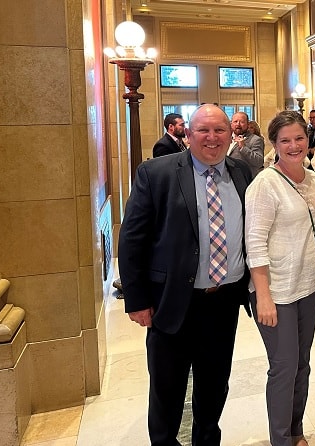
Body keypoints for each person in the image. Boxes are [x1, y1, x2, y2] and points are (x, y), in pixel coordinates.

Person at [119, 104, 253, 446]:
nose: (212, 138)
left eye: (220, 130)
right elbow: (132, 239)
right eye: (203, 131)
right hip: (172, 302)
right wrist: (137, 299)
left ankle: (207, 441)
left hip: (223, 302)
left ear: (231, 134)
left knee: (214, 384)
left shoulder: (242, 173)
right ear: (188, 135)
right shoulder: (156, 173)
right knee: (167, 389)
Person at [245, 110, 315, 446]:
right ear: (274, 145)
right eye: (285, 140)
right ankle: (280, 439)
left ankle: (295, 430)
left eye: (299, 138)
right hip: (275, 290)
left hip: (308, 286)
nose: (294, 146)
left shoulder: (313, 178)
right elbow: (254, 242)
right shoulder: (265, 184)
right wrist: (263, 296)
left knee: (301, 364)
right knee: (283, 366)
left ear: (308, 140)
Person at [229, 111, 265, 176]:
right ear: (231, 123)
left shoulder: (256, 140)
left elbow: (259, 162)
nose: (238, 124)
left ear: (248, 124)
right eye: (235, 121)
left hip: (245, 180)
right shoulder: (226, 138)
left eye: (242, 122)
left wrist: (243, 148)